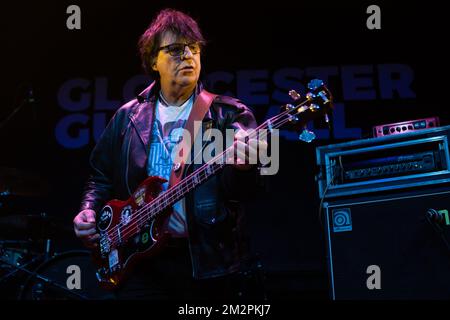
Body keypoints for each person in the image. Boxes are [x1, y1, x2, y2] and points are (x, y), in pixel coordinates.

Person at [73, 8, 265, 300]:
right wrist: (88, 209)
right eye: (175, 49)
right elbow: (100, 177)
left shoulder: (230, 113)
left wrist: (246, 168)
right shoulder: (127, 117)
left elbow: (254, 191)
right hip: (139, 264)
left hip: (207, 263)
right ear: (153, 60)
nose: (188, 55)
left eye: (194, 48)